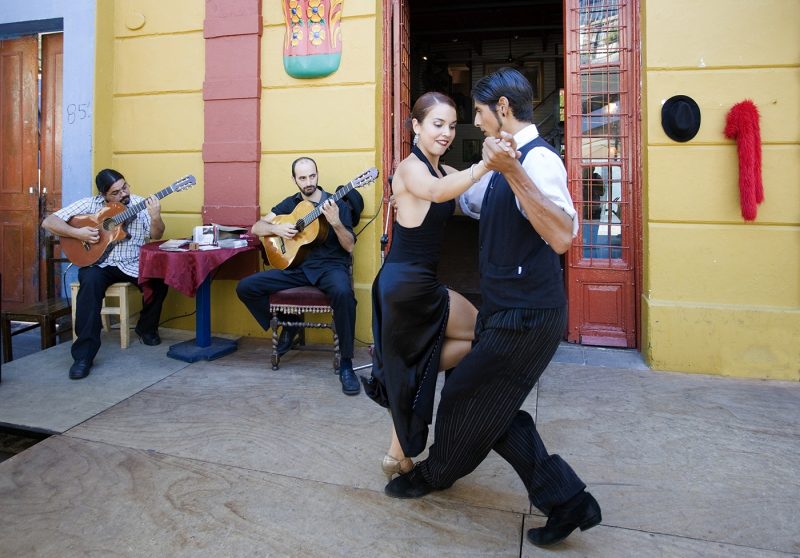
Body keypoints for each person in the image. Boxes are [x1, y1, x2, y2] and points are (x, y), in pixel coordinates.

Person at [385, 68, 602, 549]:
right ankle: (568, 500)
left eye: (479, 113)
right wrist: (416, 177)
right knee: (495, 406)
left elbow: (563, 234)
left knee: (464, 392)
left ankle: (435, 474)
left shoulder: (539, 160)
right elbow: (462, 200)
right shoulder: (498, 159)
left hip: (529, 315)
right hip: (505, 310)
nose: (475, 123)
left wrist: (513, 171)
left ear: (502, 108)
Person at [362, 92, 489, 479]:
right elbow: (436, 194)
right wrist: (484, 164)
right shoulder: (409, 169)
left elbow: (472, 197)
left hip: (419, 282)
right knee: (480, 329)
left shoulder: (444, 170)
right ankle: (408, 382)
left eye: (452, 125)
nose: (446, 132)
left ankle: (396, 453)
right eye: (437, 124)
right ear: (415, 126)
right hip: (405, 285)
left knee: (458, 345)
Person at [236, 157, 360, 396]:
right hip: (297, 267)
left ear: (317, 174)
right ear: (294, 180)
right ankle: (289, 324)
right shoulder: (290, 204)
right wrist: (276, 228)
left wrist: (335, 223)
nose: (308, 182)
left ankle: (346, 364)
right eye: (302, 178)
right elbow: (256, 228)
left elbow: (350, 246)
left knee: (344, 294)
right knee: (246, 287)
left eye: (312, 176)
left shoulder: (336, 204)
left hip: (330, 267)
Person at [42, 168, 169, 380]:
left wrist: (155, 216)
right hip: (98, 264)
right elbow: (49, 222)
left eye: (125, 187)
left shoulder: (140, 204)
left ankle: (146, 328)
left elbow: (156, 235)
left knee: (159, 280)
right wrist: (77, 232)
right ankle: (83, 357)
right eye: (115, 193)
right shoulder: (90, 205)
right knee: (89, 286)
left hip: (131, 262)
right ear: (103, 195)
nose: (123, 194)